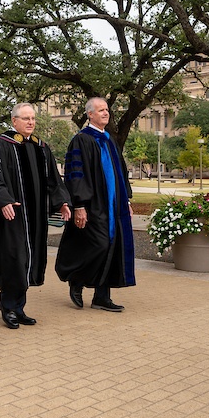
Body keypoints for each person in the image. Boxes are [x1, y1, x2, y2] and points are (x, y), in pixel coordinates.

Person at [0, 102, 70, 328]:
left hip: (36, 217)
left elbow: (54, 180)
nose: (31, 122)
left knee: (29, 260)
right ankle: (8, 306)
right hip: (13, 215)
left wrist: (62, 202)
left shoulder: (41, 147)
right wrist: (2, 201)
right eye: (26, 118)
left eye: (33, 119)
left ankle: (18, 307)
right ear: (14, 121)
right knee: (14, 259)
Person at [54, 97, 135, 312]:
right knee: (98, 245)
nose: (105, 113)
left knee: (112, 246)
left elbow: (121, 173)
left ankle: (102, 296)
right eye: (100, 110)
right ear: (90, 114)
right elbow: (75, 175)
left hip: (114, 206)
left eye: (106, 110)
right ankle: (77, 281)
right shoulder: (81, 140)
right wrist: (79, 205)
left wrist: (125, 199)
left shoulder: (110, 140)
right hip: (94, 205)